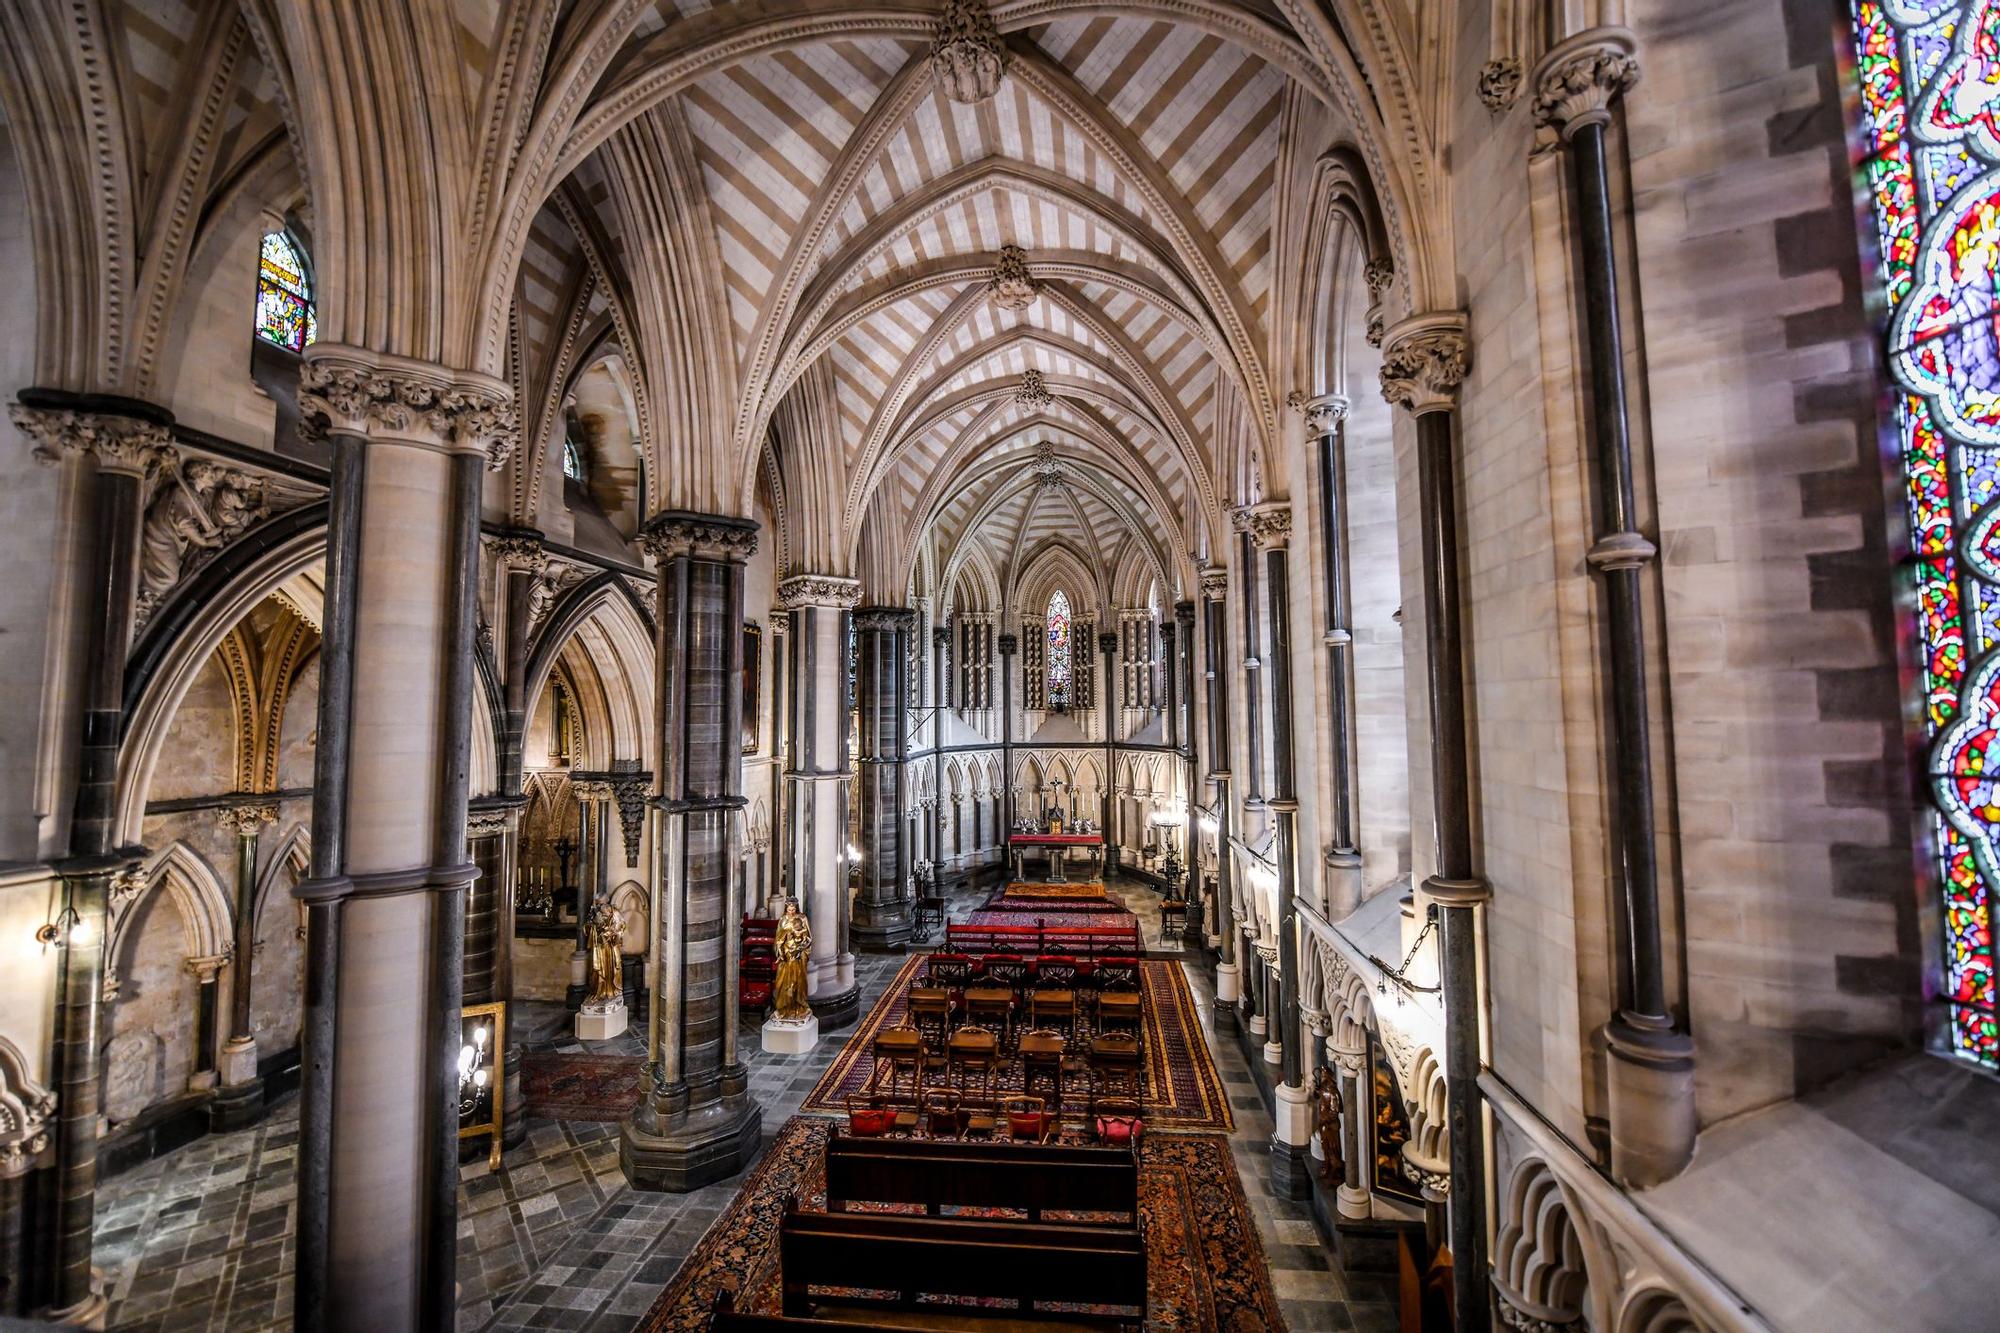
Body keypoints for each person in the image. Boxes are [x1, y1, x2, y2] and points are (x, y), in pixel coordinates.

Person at [771, 900, 812, 1020]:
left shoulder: (802, 918)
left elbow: (808, 938)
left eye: (793, 909)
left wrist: (800, 949)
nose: (791, 912)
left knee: (798, 981)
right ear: (786, 909)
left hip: (799, 957)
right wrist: (780, 953)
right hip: (786, 957)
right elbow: (778, 938)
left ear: (797, 908)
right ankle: (783, 1008)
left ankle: (800, 1006)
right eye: (789, 910)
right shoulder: (783, 920)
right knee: (783, 982)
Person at [585, 899, 624, 1006]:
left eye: (605, 914)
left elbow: (620, 929)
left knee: (613, 968)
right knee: (597, 971)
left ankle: (611, 990)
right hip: (598, 949)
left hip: (610, 949)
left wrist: (611, 933)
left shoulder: (616, 915)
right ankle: (599, 992)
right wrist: (594, 924)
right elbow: (587, 929)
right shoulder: (595, 915)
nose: (603, 915)